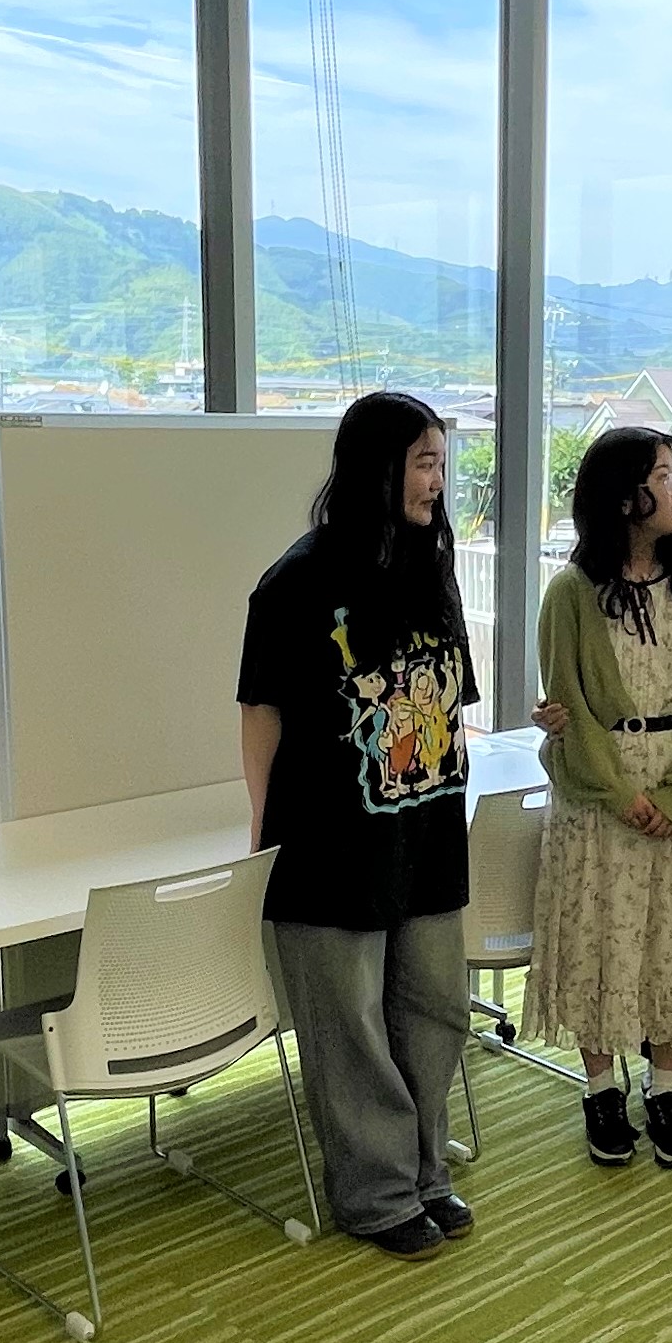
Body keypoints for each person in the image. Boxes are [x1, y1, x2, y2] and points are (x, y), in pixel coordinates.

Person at [239, 391, 478, 1261]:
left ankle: (425, 1172)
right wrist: (263, 831)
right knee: (351, 1028)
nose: (436, 482)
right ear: (376, 470)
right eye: (423, 464)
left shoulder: (431, 569)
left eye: (441, 464)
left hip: (427, 833)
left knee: (435, 1008)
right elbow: (261, 713)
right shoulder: (295, 583)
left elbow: (451, 698)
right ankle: (377, 1194)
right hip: (329, 843)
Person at [524, 427, 672, 1167]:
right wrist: (620, 794)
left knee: (671, 938)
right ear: (624, 498)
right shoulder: (571, 592)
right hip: (597, 796)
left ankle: (667, 1086)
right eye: (665, 474)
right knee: (599, 937)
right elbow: (570, 704)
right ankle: (601, 1089)